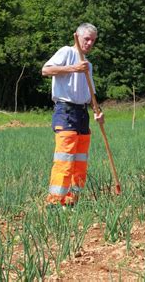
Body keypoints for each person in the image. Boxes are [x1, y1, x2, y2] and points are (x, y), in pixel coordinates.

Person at [42, 23, 104, 207]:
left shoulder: (88, 65)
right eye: (87, 39)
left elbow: (90, 92)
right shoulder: (66, 52)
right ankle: (54, 202)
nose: (90, 43)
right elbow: (46, 70)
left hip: (82, 113)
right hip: (65, 110)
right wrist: (73, 68)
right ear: (76, 36)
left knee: (80, 159)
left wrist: (97, 111)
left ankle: (72, 200)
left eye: (93, 40)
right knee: (65, 157)